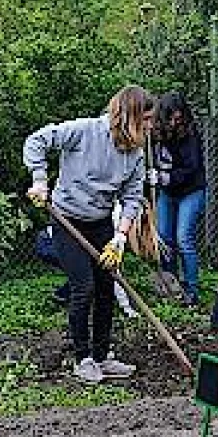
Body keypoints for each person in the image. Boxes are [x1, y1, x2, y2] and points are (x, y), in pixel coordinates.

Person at [24, 86, 152, 384]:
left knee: (107, 287)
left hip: (101, 224)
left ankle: (102, 355)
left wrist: (120, 237)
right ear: (130, 116)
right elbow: (37, 141)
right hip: (67, 222)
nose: (149, 126)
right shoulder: (85, 131)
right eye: (145, 119)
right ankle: (83, 359)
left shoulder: (135, 153)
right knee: (84, 287)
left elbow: (133, 196)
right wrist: (40, 181)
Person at [151, 92, 207, 306]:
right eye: (172, 118)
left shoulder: (190, 135)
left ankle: (191, 290)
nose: (176, 122)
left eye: (180, 117)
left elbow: (192, 168)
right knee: (165, 240)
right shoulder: (154, 134)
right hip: (168, 193)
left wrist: (167, 177)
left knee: (184, 240)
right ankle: (169, 285)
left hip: (191, 191)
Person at [34, 222, 138, 318]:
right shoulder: (111, 227)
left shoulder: (117, 229)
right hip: (49, 242)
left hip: (60, 238)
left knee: (87, 273)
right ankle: (65, 300)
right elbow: (113, 273)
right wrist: (127, 308)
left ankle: (61, 295)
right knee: (86, 272)